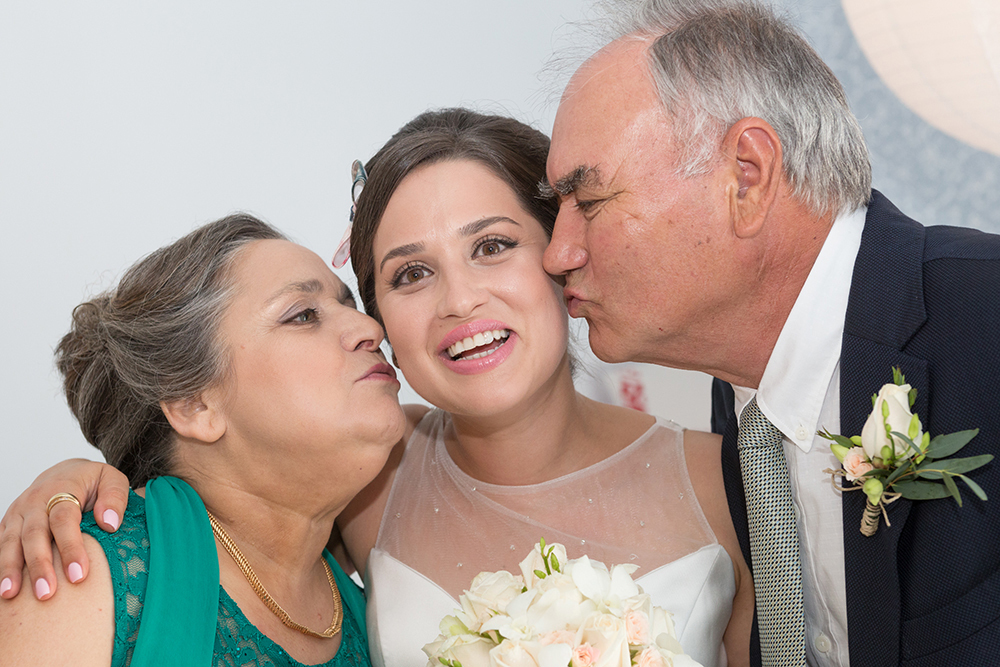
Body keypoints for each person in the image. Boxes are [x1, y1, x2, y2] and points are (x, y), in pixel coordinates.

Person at [0, 109, 753, 667]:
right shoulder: (373, 485)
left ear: (561, 252)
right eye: (409, 274)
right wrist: (68, 485)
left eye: (493, 245)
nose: (457, 300)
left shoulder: (740, 479)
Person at [539, 1, 1000, 665]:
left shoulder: (984, 317)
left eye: (588, 202)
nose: (559, 254)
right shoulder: (739, 400)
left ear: (746, 178)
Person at [0, 214, 405, 666]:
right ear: (195, 405)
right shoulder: (89, 577)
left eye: (349, 304)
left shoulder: (379, 609)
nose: (371, 329)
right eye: (303, 315)